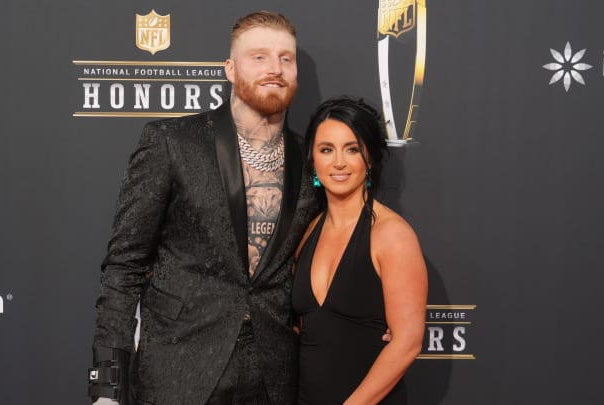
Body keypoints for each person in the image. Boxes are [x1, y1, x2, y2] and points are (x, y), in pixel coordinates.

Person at [88, 11, 320, 405]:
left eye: (286, 58)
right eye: (259, 56)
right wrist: (107, 387)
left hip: (274, 373)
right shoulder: (172, 142)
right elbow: (124, 267)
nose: (275, 69)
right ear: (230, 68)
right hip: (178, 366)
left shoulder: (311, 157)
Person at [292, 97, 428, 404]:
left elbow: (407, 342)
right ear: (313, 159)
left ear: (370, 159)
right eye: (326, 149)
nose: (338, 162)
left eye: (352, 149)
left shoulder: (391, 235)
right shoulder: (308, 232)